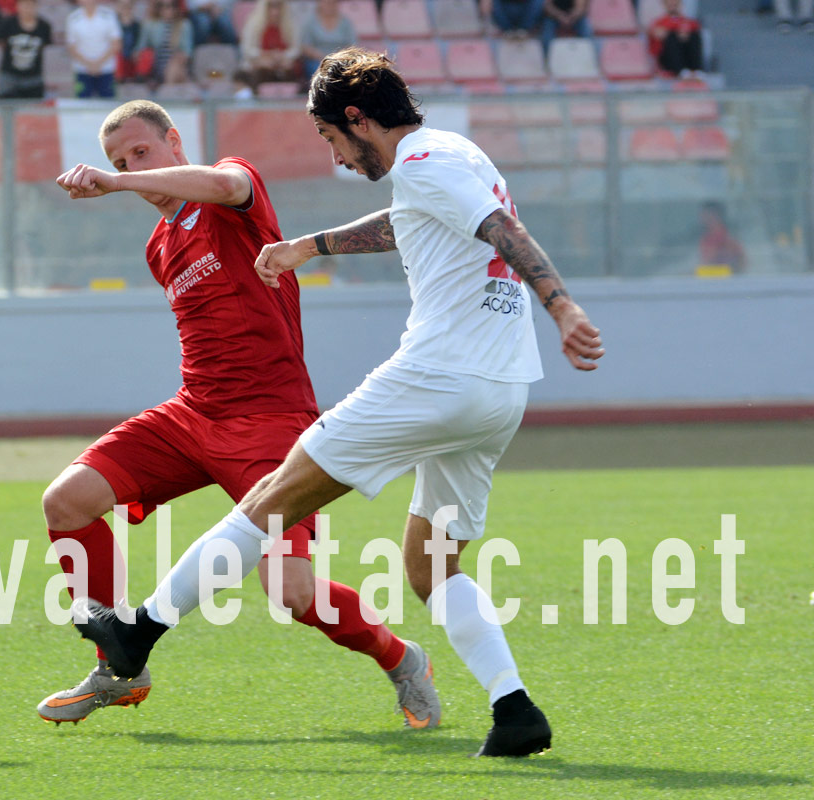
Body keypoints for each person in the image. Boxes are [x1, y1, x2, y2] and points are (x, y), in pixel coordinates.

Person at [74, 48, 605, 758]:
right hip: (500, 392)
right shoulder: (453, 155)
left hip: (434, 377)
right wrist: (311, 246)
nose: (337, 158)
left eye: (331, 138)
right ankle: (514, 709)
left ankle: (136, 634)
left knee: (268, 501)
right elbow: (410, 220)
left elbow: (503, 234)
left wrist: (563, 306)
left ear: (358, 119)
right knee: (430, 566)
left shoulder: (423, 163)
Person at [43, 99, 440, 729]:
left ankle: (402, 659)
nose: (131, 167)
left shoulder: (234, 184)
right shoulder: (159, 247)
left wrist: (114, 180)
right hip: (193, 413)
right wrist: (123, 177)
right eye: (121, 160)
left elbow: (222, 183)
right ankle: (119, 666)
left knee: (293, 594)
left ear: (175, 142)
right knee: (66, 502)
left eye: (142, 152)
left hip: (272, 423)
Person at [0, 0, 52, 99]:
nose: (27, 8)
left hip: (33, 77)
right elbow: (0, 44)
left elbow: (45, 47)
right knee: (7, 108)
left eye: (30, 5)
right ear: (18, 6)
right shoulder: (7, 24)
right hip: (9, 76)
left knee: (34, 111)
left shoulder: (44, 26)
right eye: (24, 5)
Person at [238, 0, 302, 90]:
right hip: (260, 64)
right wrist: (264, 55)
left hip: (282, 63)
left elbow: (296, 49)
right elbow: (247, 50)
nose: (275, 11)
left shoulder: (290, 24)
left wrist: (282, 56)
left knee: (290, 69)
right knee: (260, 70)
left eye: (278, 6)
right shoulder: (253, 24)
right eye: (271, 6)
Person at [65, 0, 122, 99]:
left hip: (106, 69)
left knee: (109, 106)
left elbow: (116, 44)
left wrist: (98, 64)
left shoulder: (108, 15)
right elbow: (71, 47)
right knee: (82, 104)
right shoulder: (73, 18)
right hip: (82, 70)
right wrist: (89, 65)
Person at [135, 0, 194, 87]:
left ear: (176, 8)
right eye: (163, 6)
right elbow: (140, 47)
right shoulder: (150, 25)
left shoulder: (184, 25)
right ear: (159, 8)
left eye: (172, 6)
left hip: (177, 66)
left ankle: (168, 88)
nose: (168, 9)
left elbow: (187, 52)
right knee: (175, 69)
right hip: (156, 66)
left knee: (175, 64)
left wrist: (179, 57)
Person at [298, 0, 355, 83]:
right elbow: (306, 46)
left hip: (340, 60)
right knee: (321, 72)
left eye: (333, 2)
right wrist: (323, 58)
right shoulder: (310, 22)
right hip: (316, 61)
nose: (329, 5)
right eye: (326, 2)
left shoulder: (346, 22)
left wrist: (337, 58)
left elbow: (351, 45)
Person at [647, 0, 703, 77]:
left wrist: (684, 33)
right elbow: (656, 40)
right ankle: (680, 71)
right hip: (667, 60)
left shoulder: (688, 21)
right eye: (670, 3)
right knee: (671, 37)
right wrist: (675, 32)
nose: (673, 5)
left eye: (675, 3)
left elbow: (695, 27)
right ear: (665, 5)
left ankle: (696, 70)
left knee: (694, 35)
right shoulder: (659, 22)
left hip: (686, 55)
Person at [698, 202, 745, 274]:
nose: (702, 217)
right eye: (702, 214)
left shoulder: (728, 238)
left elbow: (742, 262)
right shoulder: (706, 238)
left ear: (715, 215)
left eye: (706, 214)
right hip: (711, 278)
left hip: (723, 279)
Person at [480, 0, 545, 38]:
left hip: (524, 9)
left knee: (538, 2)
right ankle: (506, 30)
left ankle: (524, 30)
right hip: (505, 10)